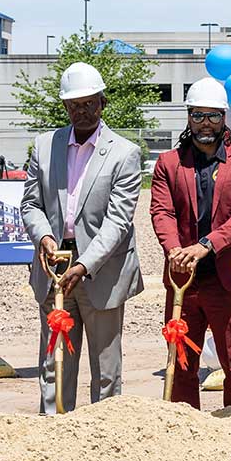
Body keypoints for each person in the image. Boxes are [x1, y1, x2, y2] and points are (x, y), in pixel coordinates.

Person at [20, 62, 144, 413]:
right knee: (54, 363)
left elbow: (118, 223)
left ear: (103, 103)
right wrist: (44, 237)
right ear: (65, 107)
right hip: (53, 267)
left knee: (105, 369)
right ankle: (54, 429)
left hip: (101, 272)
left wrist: (85, 265)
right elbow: (31, 204)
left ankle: (102, 437)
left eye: (89, 102)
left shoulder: (124, 153)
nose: (82, 110)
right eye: (74, 104)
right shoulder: (44, 147)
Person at [150, 78, 231, 409]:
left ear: (224, 118)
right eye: (198, 115)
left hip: (226, 279)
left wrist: (205, 246)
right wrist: (174, 250)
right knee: (182, 360)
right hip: (182, 279)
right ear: (188, 117)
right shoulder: (169, 164)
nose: (205, 123)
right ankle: (185, 429)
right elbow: (162, 211)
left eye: (213, 116)